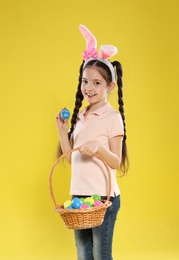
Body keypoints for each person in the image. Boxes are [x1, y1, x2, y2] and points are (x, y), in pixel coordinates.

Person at [55, 24, 129, 260]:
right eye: (85, 81)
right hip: (79, 197)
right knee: (83, 253)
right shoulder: (80, 116)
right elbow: (70, 157)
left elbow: (116, 162)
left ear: (110, 87)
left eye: (96, 83)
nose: (88, 88)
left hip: (103, 199)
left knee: (100, 254)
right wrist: (62, 130)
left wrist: (98, 149)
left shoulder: (112, 117)